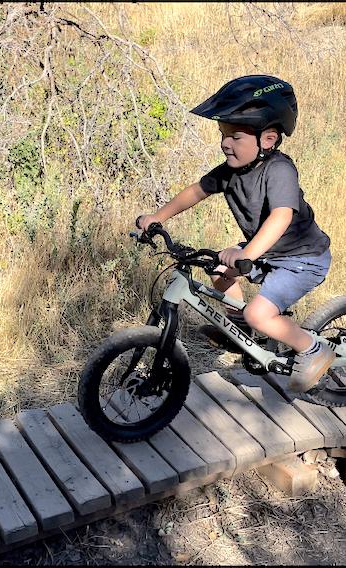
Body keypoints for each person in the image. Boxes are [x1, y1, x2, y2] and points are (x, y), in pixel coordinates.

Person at [136, 75, 333, 392]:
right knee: (217, 269)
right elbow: (196, 191)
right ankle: (240, 333)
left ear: (267, 139)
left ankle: (314, 349)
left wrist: (246, 253)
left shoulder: (279, 170)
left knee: (259, 314)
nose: (225, 143)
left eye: (235, 137)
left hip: (301, 259)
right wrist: (157, 217)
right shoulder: (231, 171)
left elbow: (281, 216)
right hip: (265, 251)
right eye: (223, 135)